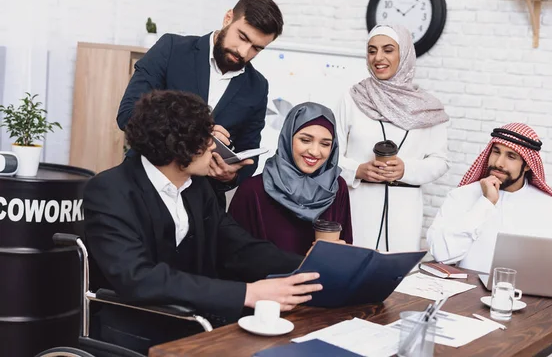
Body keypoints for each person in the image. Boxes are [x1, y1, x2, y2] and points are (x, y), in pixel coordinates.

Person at [85, 91, 321, 353]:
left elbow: (237, 246)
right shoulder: (109, 191)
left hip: (198, 325)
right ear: (179, 146)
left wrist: (307, 265)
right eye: (206, 138)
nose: (214, 146)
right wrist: (247, 293)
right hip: (135, 332)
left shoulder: (198, 186)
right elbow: (139, 278)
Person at [426, 123, 552, 357]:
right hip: (465, 306)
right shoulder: (462, 197)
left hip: (526, 310)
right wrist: (485, 204)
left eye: (511, 156)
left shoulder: (550, 208)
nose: (499, 163)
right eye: (496, 152)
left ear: (527, 164)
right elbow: (442, 254)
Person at [117, 0, 283, 205]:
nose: (244, 52)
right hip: (142, 189)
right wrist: (200, 133)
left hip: (202, 204)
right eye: (242, 37)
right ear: (228, 18)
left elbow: (249, 153)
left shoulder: (257, 86)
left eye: (257, 49)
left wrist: (230, 175)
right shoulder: (171, 49)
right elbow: (128, 115)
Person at [335, 24, 450, 253]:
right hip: (357, 205)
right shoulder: (352, 98)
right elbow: (330, 155)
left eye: (388, 50)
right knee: (351, 273)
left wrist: (404, 169)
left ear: (404, 53)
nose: (378, 58)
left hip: (404, 212)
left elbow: (440, 161)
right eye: (372, 50)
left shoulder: (427, 108)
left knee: (397, 278)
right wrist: (357, 170)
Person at [229, 102, 352, 255]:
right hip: (268, 278)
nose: (315, 151)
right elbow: (234, 256)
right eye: (305, 140)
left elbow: (346, 251)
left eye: (325, 144)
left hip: (323, 278)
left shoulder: (336, 187)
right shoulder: (253, 190)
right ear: (288, 138)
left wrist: (340, 254)